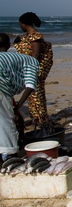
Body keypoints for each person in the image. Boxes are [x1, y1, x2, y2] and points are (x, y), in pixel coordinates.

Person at [0, 33, 39, 161]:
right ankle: (10, 156)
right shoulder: (26, 60)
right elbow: (30, 85)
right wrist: (18, 105)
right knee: (6, 122)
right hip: (2, 90)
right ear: (8, 45)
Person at [15, 12, 53, 129]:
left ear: (24, 24)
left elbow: (35, 54)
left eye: (20, 24)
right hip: (31, 70)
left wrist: (30, 69)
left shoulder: (35, 36)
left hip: (34, 71)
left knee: (37, 95)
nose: (20, 26)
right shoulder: (29, 36)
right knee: (33, 96)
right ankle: (36, 118)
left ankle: (41, 120)